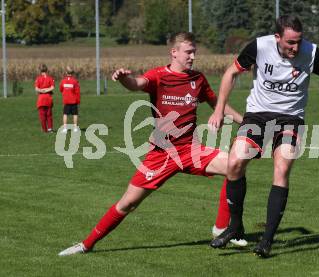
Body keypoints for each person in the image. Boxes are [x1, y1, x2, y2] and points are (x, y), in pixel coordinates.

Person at [58, 32, 246, 256]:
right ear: (174, 52)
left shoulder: (197, 79)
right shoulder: (159, 76)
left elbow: (219, 105)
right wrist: (123, 78)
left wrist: (246, 122)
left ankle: (221, 227)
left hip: (190, 150)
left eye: (194, 51)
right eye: (188, 51)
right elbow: (137, 84)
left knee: (234, 166)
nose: (193, 56)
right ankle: (86, 244)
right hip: (161, 155)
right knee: (127, 204)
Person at [208, 15, 319, 258]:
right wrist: (219, 110)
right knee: (235, 163)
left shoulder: (311, 53)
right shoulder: (259, 47)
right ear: (277, 37)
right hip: (258, 116)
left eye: (298, 42)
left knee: (282, 168)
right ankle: (235, 228)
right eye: (290, 42)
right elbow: (230, 74)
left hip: (291, 119)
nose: (295, 48)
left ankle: (266, 240)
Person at [60, 66, 81, 133]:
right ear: (73, 73)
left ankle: (65, 128)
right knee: (75, 114)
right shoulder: (75, 81)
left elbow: (61, 89)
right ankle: (75, 128)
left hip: (66, 100)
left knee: (65, 114)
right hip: (74, 101)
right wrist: (78, 100)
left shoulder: (63, 81)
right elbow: (77, 91)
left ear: (66, 72)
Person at [35, 64, 55, 132]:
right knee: (49, 115)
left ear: (40, 70)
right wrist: (46, 90)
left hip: (41, 99)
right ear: (47, 70)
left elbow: (36, 88)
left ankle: (44, 129)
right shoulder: (50, 78)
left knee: (42, 116)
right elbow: (52, 87)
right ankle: (50, 129)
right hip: (48, 98)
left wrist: (42, 90)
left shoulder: (38, 78)